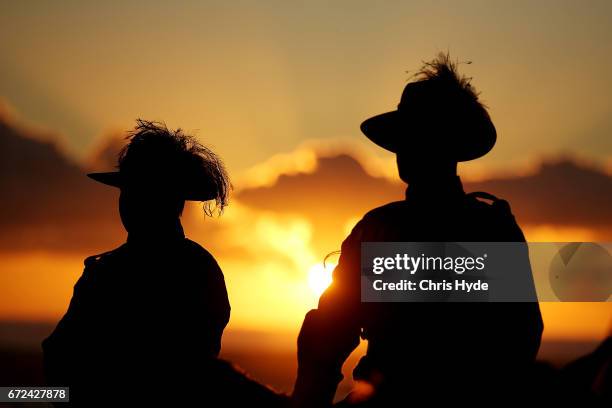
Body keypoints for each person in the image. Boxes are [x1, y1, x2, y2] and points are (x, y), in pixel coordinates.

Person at [294, 53, 544, 406]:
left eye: (415, 139)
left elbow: (328, 334)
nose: (405, 151)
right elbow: (521, 339)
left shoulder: (376, 230)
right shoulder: (492, 227)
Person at [42, 120, 240, 405]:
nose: (130, 202)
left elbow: (61, 360)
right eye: (129, 192)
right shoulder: (200, 267)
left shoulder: (109, 273)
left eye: (140, 192)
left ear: (170, 201)